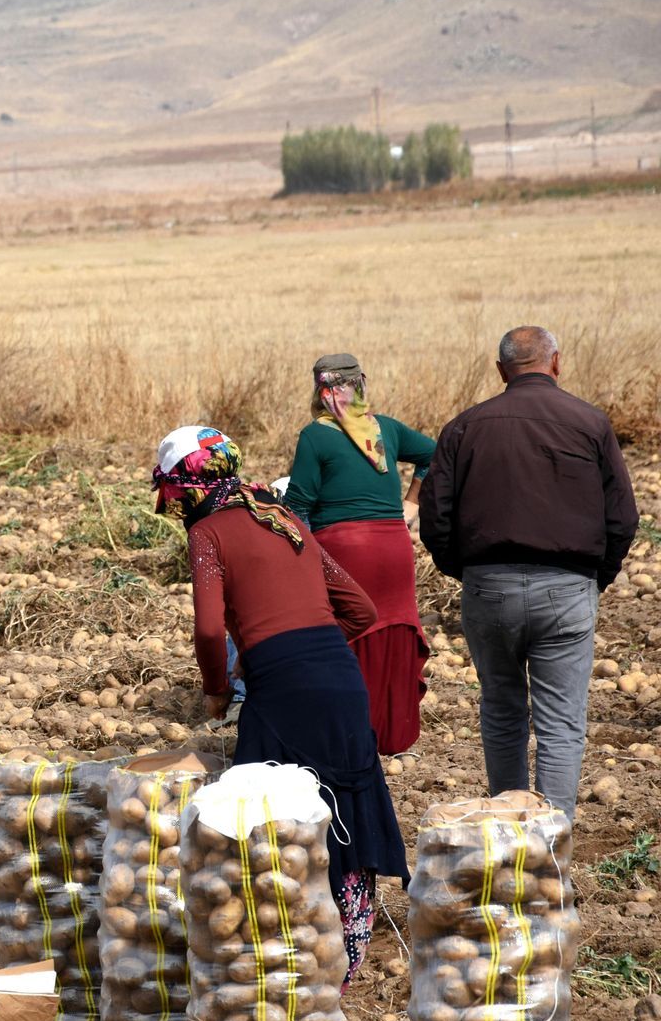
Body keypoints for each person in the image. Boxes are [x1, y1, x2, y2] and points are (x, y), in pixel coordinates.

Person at [154, 424, 408, 984]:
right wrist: (307, 647)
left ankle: (280, 951)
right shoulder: (285, 519)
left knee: (265, 816)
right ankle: (346, 955)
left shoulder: (209, 536)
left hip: (282, 692)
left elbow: (206, 629)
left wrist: (220, 683)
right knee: (344, 808)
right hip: (342, 684)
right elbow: (361, 611)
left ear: (185, 489)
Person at [418, 326, 637, 819]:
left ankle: (507, 829)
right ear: (556, 363)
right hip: (567, 585)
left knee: (501, 710)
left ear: (501, 371)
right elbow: (622, 518)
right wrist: (592, 577)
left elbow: (435, 516)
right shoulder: (589, 422)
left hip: (487, 585)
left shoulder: (463, 427)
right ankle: (550, 844)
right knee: (561, 723)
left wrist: (467, 570)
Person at [283, 353, 436, 755]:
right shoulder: (386, 429)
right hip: (394, 547)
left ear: (319, 391)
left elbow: (299, 505)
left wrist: (298, 556)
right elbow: (435, 454)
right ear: (362, 385)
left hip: (345, 550)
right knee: (393, 629)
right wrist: (412, 504)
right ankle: (391, 732)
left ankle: (348, 732)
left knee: (344, 632)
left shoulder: (315, 436)